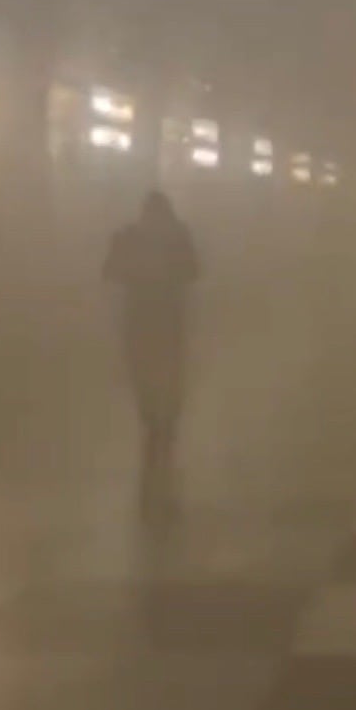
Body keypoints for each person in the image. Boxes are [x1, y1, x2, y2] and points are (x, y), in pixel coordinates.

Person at [104, 191, 202, 519]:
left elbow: (109, 270)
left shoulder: (130, 237)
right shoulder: (176, 236)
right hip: (166, 324)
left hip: (142, 324)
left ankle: (154, 421)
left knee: (146, 372)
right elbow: (195, 271)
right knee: (165, 374)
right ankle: (162, 423)